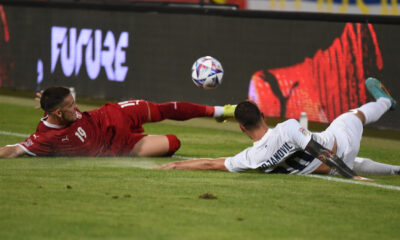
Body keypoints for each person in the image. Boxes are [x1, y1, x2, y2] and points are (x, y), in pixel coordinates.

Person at [155, 78, 400, 179]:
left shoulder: (251, 157)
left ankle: (391, 168)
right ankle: (385, 102)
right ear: (262, 115)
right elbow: (317, 148)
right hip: (340, 143)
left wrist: (177, 164)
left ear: (241, 129)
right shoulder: (288, 127)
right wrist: (351, 174)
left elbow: (210, 164)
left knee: (355, 160)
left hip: (330, 168)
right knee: (354, 115)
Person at [0, 86, 235, 158]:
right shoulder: (46, 137)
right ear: (58, 114)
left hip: (114, 115)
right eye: (71, 105)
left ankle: (221, 111)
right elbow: (12, 150)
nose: (76, 107)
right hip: (120, 146)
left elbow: (60, 101)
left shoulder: (64, 109)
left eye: (74, 102)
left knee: (163, 109)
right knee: (173, 143)